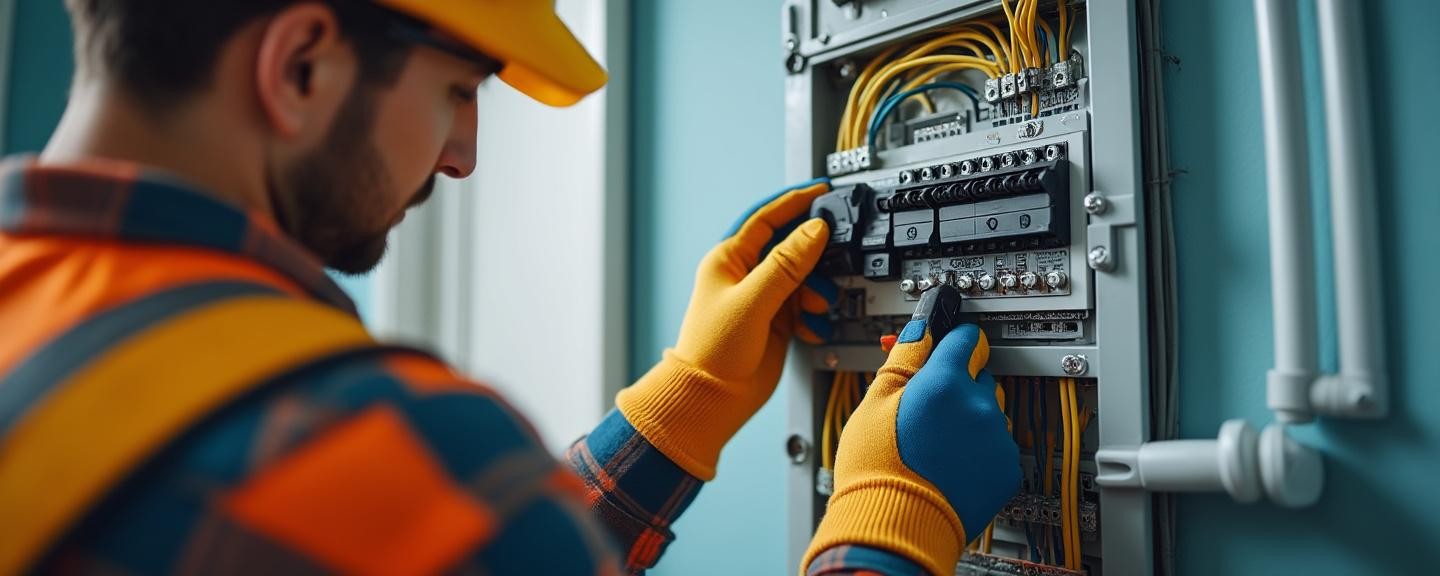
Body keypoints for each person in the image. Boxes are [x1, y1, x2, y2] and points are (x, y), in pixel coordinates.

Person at [0, 0, 1020, 574]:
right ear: (302, 64)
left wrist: (681, 407)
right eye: (458, 94)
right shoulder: (380, 449)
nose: (463, 157)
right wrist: (890, 519)